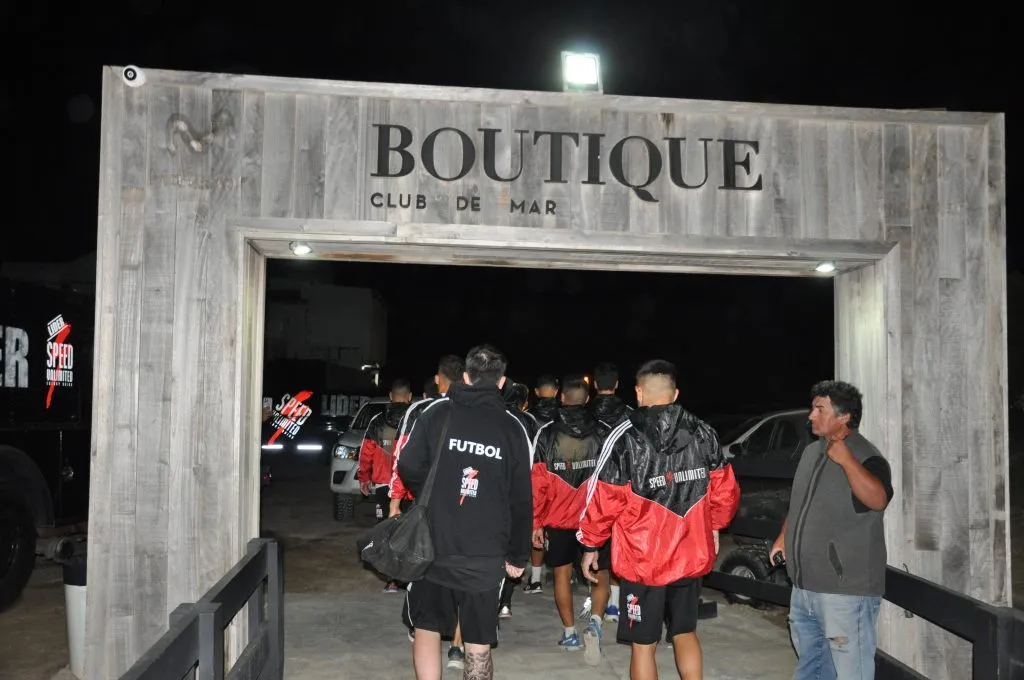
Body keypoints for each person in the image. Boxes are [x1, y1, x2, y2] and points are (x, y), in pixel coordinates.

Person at [578, 360, 740, 680]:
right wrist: (716, 526)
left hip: (643, 561)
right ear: (675, 393)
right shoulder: (704, 432)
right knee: (685, 632)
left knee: (643, 644)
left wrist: (590, 543)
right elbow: (727, 490)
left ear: (638, 392)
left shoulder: (624, 437)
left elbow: (603, 498)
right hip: (689, 552)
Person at [396, 344, 533, 680]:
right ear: (501, 382)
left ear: (467, 376)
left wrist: (435, 492)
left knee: (427, 627)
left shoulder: (436, 413)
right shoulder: (512, 428)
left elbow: (407, 465)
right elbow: (521, 498)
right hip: (485, 552)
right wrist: (518, 555)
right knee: (478, 641)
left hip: (433, 544)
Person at [770, 380, 893, 680]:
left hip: (845, 593)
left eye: (819, 409)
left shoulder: (867, 456)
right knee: (811, 669)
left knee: (852, 674)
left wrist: (848, 461)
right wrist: (784, 537)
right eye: (813, 408)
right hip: (804, 587)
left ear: (844, 417)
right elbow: (799, 505)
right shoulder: (812, 452)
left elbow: (878, 499)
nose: (811, 415)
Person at [389, 354, 467, 667]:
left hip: (427, 508)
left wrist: (398, 499)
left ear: (438, 379)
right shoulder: (480, 413)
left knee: (425, 570)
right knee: (464, 578)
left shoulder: (422, 411)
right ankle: (458, 647)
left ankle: (426, 627)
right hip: (468, 508)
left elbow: (402, 458)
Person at [530, 374, 612, 662]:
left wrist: (536, 521)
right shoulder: (604, 432)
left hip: (559, 517)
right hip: (595, 517)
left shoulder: (547, 434)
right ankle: (597, 623)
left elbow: (537, 483)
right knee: (600, 572)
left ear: (561, 399)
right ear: (588, 399)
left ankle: (570, 634)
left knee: (562, 574)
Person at [581, 361, 633, 624]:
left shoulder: (585, 415)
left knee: (597, 555)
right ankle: (614, 605)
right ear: (616, 385)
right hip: (623, 489)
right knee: (619, 547)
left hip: (591, 493)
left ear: (595, 386)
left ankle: (598, 614)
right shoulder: (631, 415)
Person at [356, 378, 413, 592]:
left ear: (391, 396)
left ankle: (390, 580)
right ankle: (409, 578)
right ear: (409, 397)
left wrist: (364, 477)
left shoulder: (377, 421)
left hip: (383, 486)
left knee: (386, 531)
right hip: (409, 488)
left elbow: (366, 451)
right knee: (410, 532)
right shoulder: (416, 420)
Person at [497, 379, 540, 618]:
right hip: (520, 490)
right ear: (524, 402)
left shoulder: (497, 417)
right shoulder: (528, 422)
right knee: (513, 548)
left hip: (497, 491)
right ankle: (505, 601)